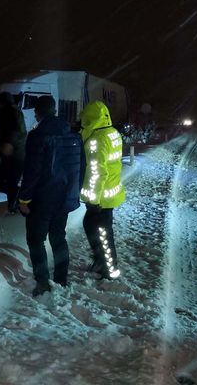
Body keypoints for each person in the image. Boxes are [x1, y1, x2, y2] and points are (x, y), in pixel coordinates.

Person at [18, 95, 83, 297]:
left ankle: (43, 281)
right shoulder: (73, 135)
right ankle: (61, 279)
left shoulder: (38, 136)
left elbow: (32, 170)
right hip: (64, 198)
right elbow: (82, 168)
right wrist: (74, 192)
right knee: (58, 237)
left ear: (38, 112)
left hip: (43, 199)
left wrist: (24, 199)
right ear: (54, 110)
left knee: (36, 239)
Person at [79, 100, 126, 280]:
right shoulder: (112, 133)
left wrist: (94, 200)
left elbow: (97, 173)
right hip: (111, 193)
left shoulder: (97, 140)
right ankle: (102, 261)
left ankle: (109, 269)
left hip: (101, 198)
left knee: (101, 232)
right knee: (99, 229)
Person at [0, 92, 26, 213]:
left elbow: (17, 130)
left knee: (3, 183)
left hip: (16, 156)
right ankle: (14, 203)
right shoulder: (7, 112)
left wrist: (8, 144)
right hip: (11, 156)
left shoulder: (11, 112)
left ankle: (14, 205)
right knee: (1, 183)